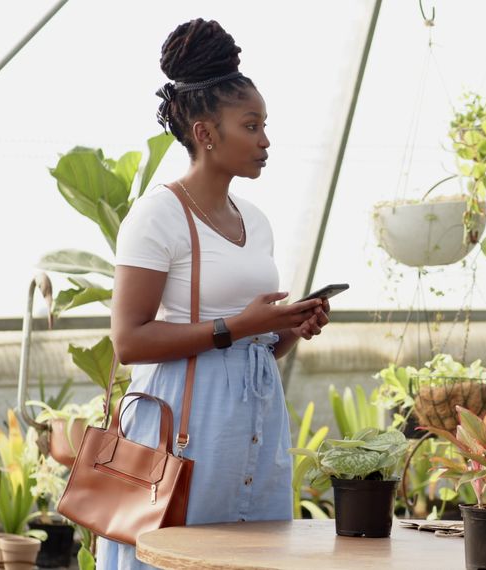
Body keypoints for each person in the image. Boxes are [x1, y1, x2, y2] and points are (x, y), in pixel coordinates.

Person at [102, 19, 330, 570]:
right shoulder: (158, 215)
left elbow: (253, 342)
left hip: (252, 420)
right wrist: (241, 326)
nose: (266, 140)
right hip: (184, 428)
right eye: (251, 126)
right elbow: (128, 340)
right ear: (206, 134)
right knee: (177, 555)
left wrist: (285, 330)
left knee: (251, 555)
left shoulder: (257, 221)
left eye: (266, 125)